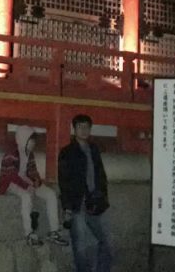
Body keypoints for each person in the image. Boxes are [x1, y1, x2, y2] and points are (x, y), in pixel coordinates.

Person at [0, 125, 69, 246]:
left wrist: (37, 181)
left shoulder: (29, 154)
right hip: (11, 183)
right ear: (23, 139)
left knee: (50, 194)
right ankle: (29, 233)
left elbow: (33, 171)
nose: (33, 144)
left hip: (26, 181)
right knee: (26, 196)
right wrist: (27, 186)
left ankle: (54, 231)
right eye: (31, 140)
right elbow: (11, 175)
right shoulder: (11, 153)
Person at [58, 114, 112, 272]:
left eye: (87, 127)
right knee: (80, 247)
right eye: (80, 127)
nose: (84, 130)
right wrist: (66, 207)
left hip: (96, 202)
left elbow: (101, 175)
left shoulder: (94, 149)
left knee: (107, 242)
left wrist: (103, 195)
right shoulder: (67, 152)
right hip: (77, 204)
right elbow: (64, 180)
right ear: (74, 129)